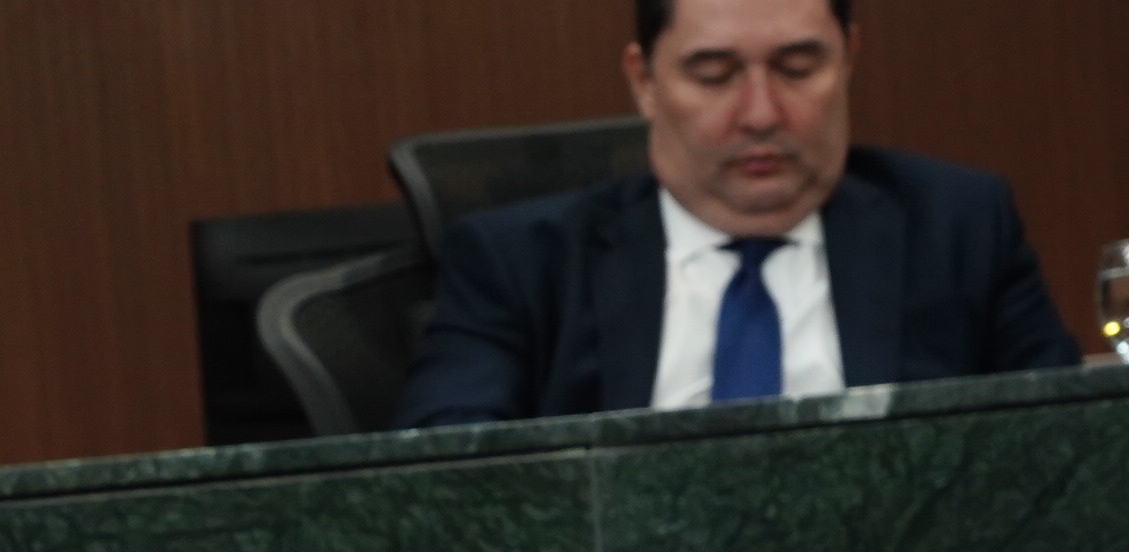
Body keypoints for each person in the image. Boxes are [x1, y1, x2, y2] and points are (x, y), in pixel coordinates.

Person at [395, 0, 1075, 427]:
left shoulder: (959, 228)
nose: (761, 114)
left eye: (798, 68)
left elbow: (1068, 445)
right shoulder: (520, 263)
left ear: (849, 59)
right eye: (714, 76)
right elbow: (443, 482)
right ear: (644, 81)